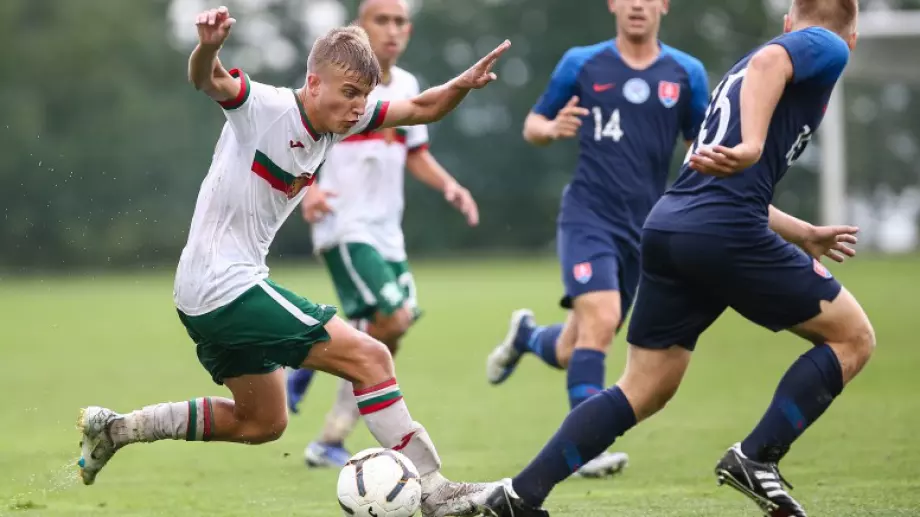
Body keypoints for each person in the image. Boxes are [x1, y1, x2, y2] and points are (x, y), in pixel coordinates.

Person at [76, 7, 510, 517]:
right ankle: (434, 490)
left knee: (263, 423)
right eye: (349, 93)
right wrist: (210, 45)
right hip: (225, 285)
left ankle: (117, 429)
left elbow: (421, 107)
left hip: (205, 293)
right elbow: (206, 78)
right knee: (370, 358)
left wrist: (464, 82)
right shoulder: (264, 107)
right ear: (313, 82)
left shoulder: (341, 121)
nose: (358, 108)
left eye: (364, 97)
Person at [480, 1, 867, 516]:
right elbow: (769, 65)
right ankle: (757, 458)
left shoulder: (716, 73)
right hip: (721, 230)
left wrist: (804, 233)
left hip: (669, 223)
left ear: (787, 19)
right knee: (854, 337)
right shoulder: (827, 46)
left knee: (646, 387)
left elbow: (714, 169)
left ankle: (520, 496)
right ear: (849, 34)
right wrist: (753, 145)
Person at [484, 0, 708, 479]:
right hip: (588, 215)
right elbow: (533, 125)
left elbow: (699, 149)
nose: (637, 6)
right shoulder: (581, 62)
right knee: (603, 321)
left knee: (576, 345)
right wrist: (553, 129)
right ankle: (584, 447)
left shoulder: (687, 73)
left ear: (663, 5)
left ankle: (527, 336)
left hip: (646, 229)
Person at [285, 0, 480, 469]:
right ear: (359, 27)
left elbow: (415, 153)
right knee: (391, 320)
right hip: (345, 227)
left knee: (389, 333)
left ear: (408, 31)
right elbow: (292, 137)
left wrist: (449, 185)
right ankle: (303, 354)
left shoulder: (408, 86)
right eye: (381, 20)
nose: (391, 30)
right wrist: (307, 193)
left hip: (387, 232)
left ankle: (329, 434)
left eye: (399, 22)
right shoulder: (333, 85)